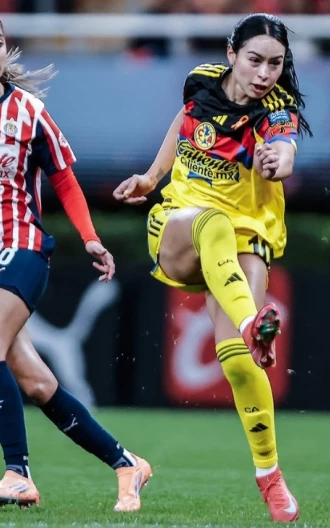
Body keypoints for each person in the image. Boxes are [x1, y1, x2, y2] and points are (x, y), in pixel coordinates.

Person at [0, 6, 151, 512]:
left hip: (19, 248)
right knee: (35, 381)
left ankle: (18, 472)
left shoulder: (27, 111)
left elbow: (62, 177)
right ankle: (126, 463)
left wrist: (90, 237)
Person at [114, 12, 310, 523]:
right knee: (210, 221)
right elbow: (184, 122)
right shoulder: (200, 80)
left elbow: (285, 150)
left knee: (241, 365)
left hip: (246, 239)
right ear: (231, 55)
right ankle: (252, 322)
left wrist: (277, 163)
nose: (265, 73)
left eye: (276, 63)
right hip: (180, 225)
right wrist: (152, 176)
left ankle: (269, 476)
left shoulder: (276, 110)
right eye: (255, 60)